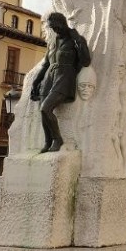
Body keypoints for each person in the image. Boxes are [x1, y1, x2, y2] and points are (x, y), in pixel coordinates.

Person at [30, 13, 89, 152]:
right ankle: (48, 141)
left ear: (62, 23)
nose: (55, 30)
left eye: (56, 26)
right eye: (52, 28)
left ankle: (58, 139)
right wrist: (36, 82)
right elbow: (45, 64)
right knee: (42, 110)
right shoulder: (53, 42)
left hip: (65, 77)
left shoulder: (75, 39)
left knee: (46, 108)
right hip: (49, 78)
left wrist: (78, 41)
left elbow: (86, 61)